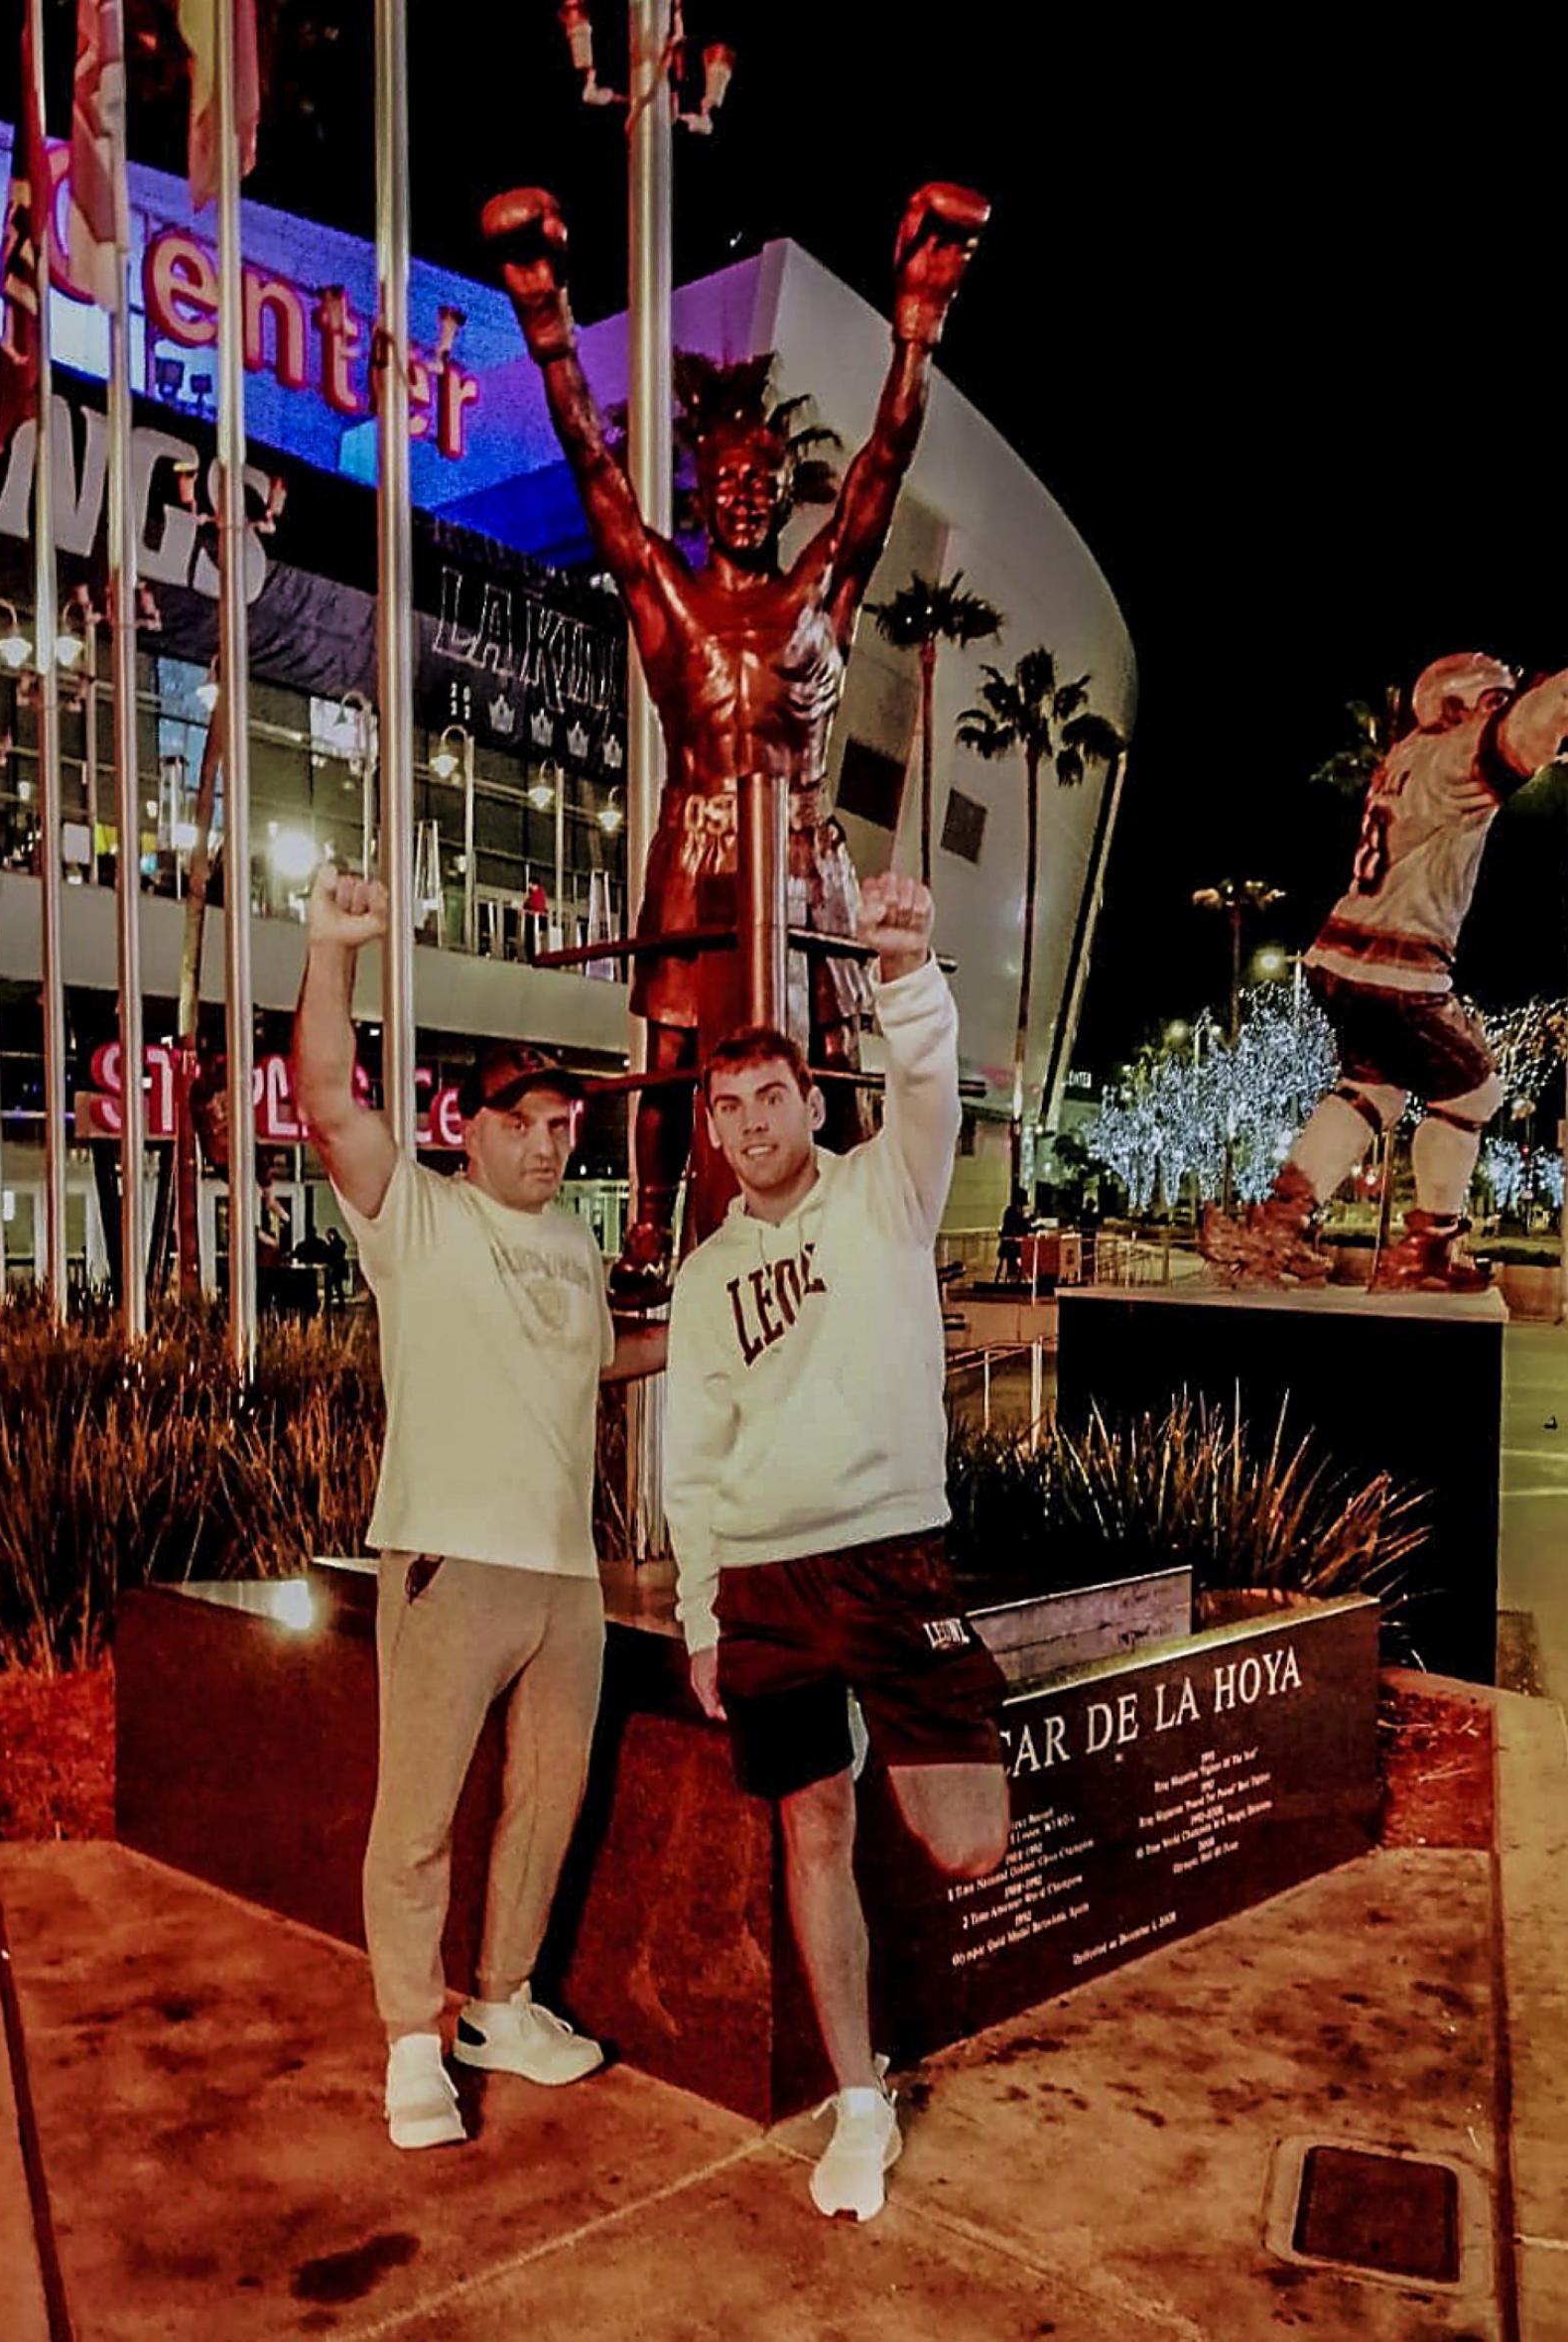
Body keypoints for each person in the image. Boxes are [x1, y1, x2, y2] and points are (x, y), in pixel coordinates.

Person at [485, 179, 987, 1304]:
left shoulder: (819, 596)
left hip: (807, 847)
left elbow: (880, 471)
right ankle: (649, 1235)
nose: (749, 495)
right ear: (704, 495)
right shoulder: (665, 593)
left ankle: (873, 1230)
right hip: (695, 843)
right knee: (667, 1062)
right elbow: (593, 469)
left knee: (842, 1057)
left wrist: (918, 325)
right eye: (728, 481)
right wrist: (548, 325)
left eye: (764, 481)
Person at [292, 862, 665, 2154]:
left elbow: (589, 1361)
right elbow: (330, 1103)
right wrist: (333, 945)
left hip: (568, 1578)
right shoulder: (420, 1219)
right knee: (420, 1812)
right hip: (452, 1559)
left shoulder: (570, 1244)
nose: (551, 1142)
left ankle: (500, 2006)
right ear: (473, 1128)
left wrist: (695, 1342)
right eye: (527, 1122)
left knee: (545, 1797)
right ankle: (410, 2038)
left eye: (565, 1125)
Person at [662, 870, 1009, 2224]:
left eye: (773, 1100)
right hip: (760, 1582)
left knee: (967, 1844)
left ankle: (909, 1732)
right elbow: (686, 1457)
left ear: (814, 1103)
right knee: (813, 1826)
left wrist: (909, 973)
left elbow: (933, 1094)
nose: (752, 1126)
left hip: (890, 1564)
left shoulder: (885, 1196)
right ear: (713, 1125)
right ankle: (858, 2099)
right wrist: (700, 1616)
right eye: (729, 1108)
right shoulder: (703, 1279)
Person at [1208, 630, 1568, 1288]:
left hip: (1343, 954)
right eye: (1489, 701)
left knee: (1374, 1088)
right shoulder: (1453, 753)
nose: (1497, 709)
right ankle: (1427, 1247)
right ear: (1457, 709)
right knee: (1475, 1090)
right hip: (1396, 963)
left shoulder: (1405, 757)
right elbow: (1524, 728)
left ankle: (1280, 1220)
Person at [995, 1195, 1029, 1284]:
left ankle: (1021, 1273)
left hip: (1015, 1243)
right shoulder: (1011, 1212)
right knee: (1020, 1251)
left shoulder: (1017, 1211)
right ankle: (1016, 1274)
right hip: (1009, 1246)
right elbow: (1017, 1227)